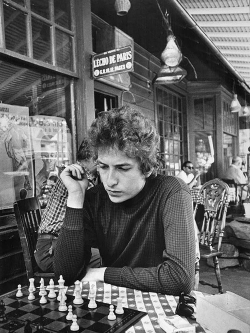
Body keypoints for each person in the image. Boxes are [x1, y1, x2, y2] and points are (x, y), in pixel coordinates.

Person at [54, 106, 196, 296]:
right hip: (116, 304)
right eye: (103, 167)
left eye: (123, 168)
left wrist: (104, 273)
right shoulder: (94, 198)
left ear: (146, 168)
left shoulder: (171, 191)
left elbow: (179, 279)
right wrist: (76, 197)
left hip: (165, 306)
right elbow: (65, 276)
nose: (110, 180)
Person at [34, 138, 100, 273]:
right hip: (51, 252)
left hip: (55, 245)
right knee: (109, 259)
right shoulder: (77, 177)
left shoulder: (75, 173)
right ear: (95, 159)